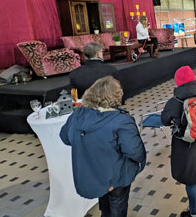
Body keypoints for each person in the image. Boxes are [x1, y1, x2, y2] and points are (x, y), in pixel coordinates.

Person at [60, 76, 146, 216]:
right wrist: (140, 163)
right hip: (117, 177)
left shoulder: (77, 115)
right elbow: (134, 151)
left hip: (95, 175)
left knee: (105, 206)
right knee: (117, 209)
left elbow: (65, 138)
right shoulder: (122, 121)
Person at [162, 66, 196, 217]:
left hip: (184, 145)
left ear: (178, 82)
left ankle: (194, 213)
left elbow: (164, 120)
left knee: (190, 181)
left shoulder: (175, 101)